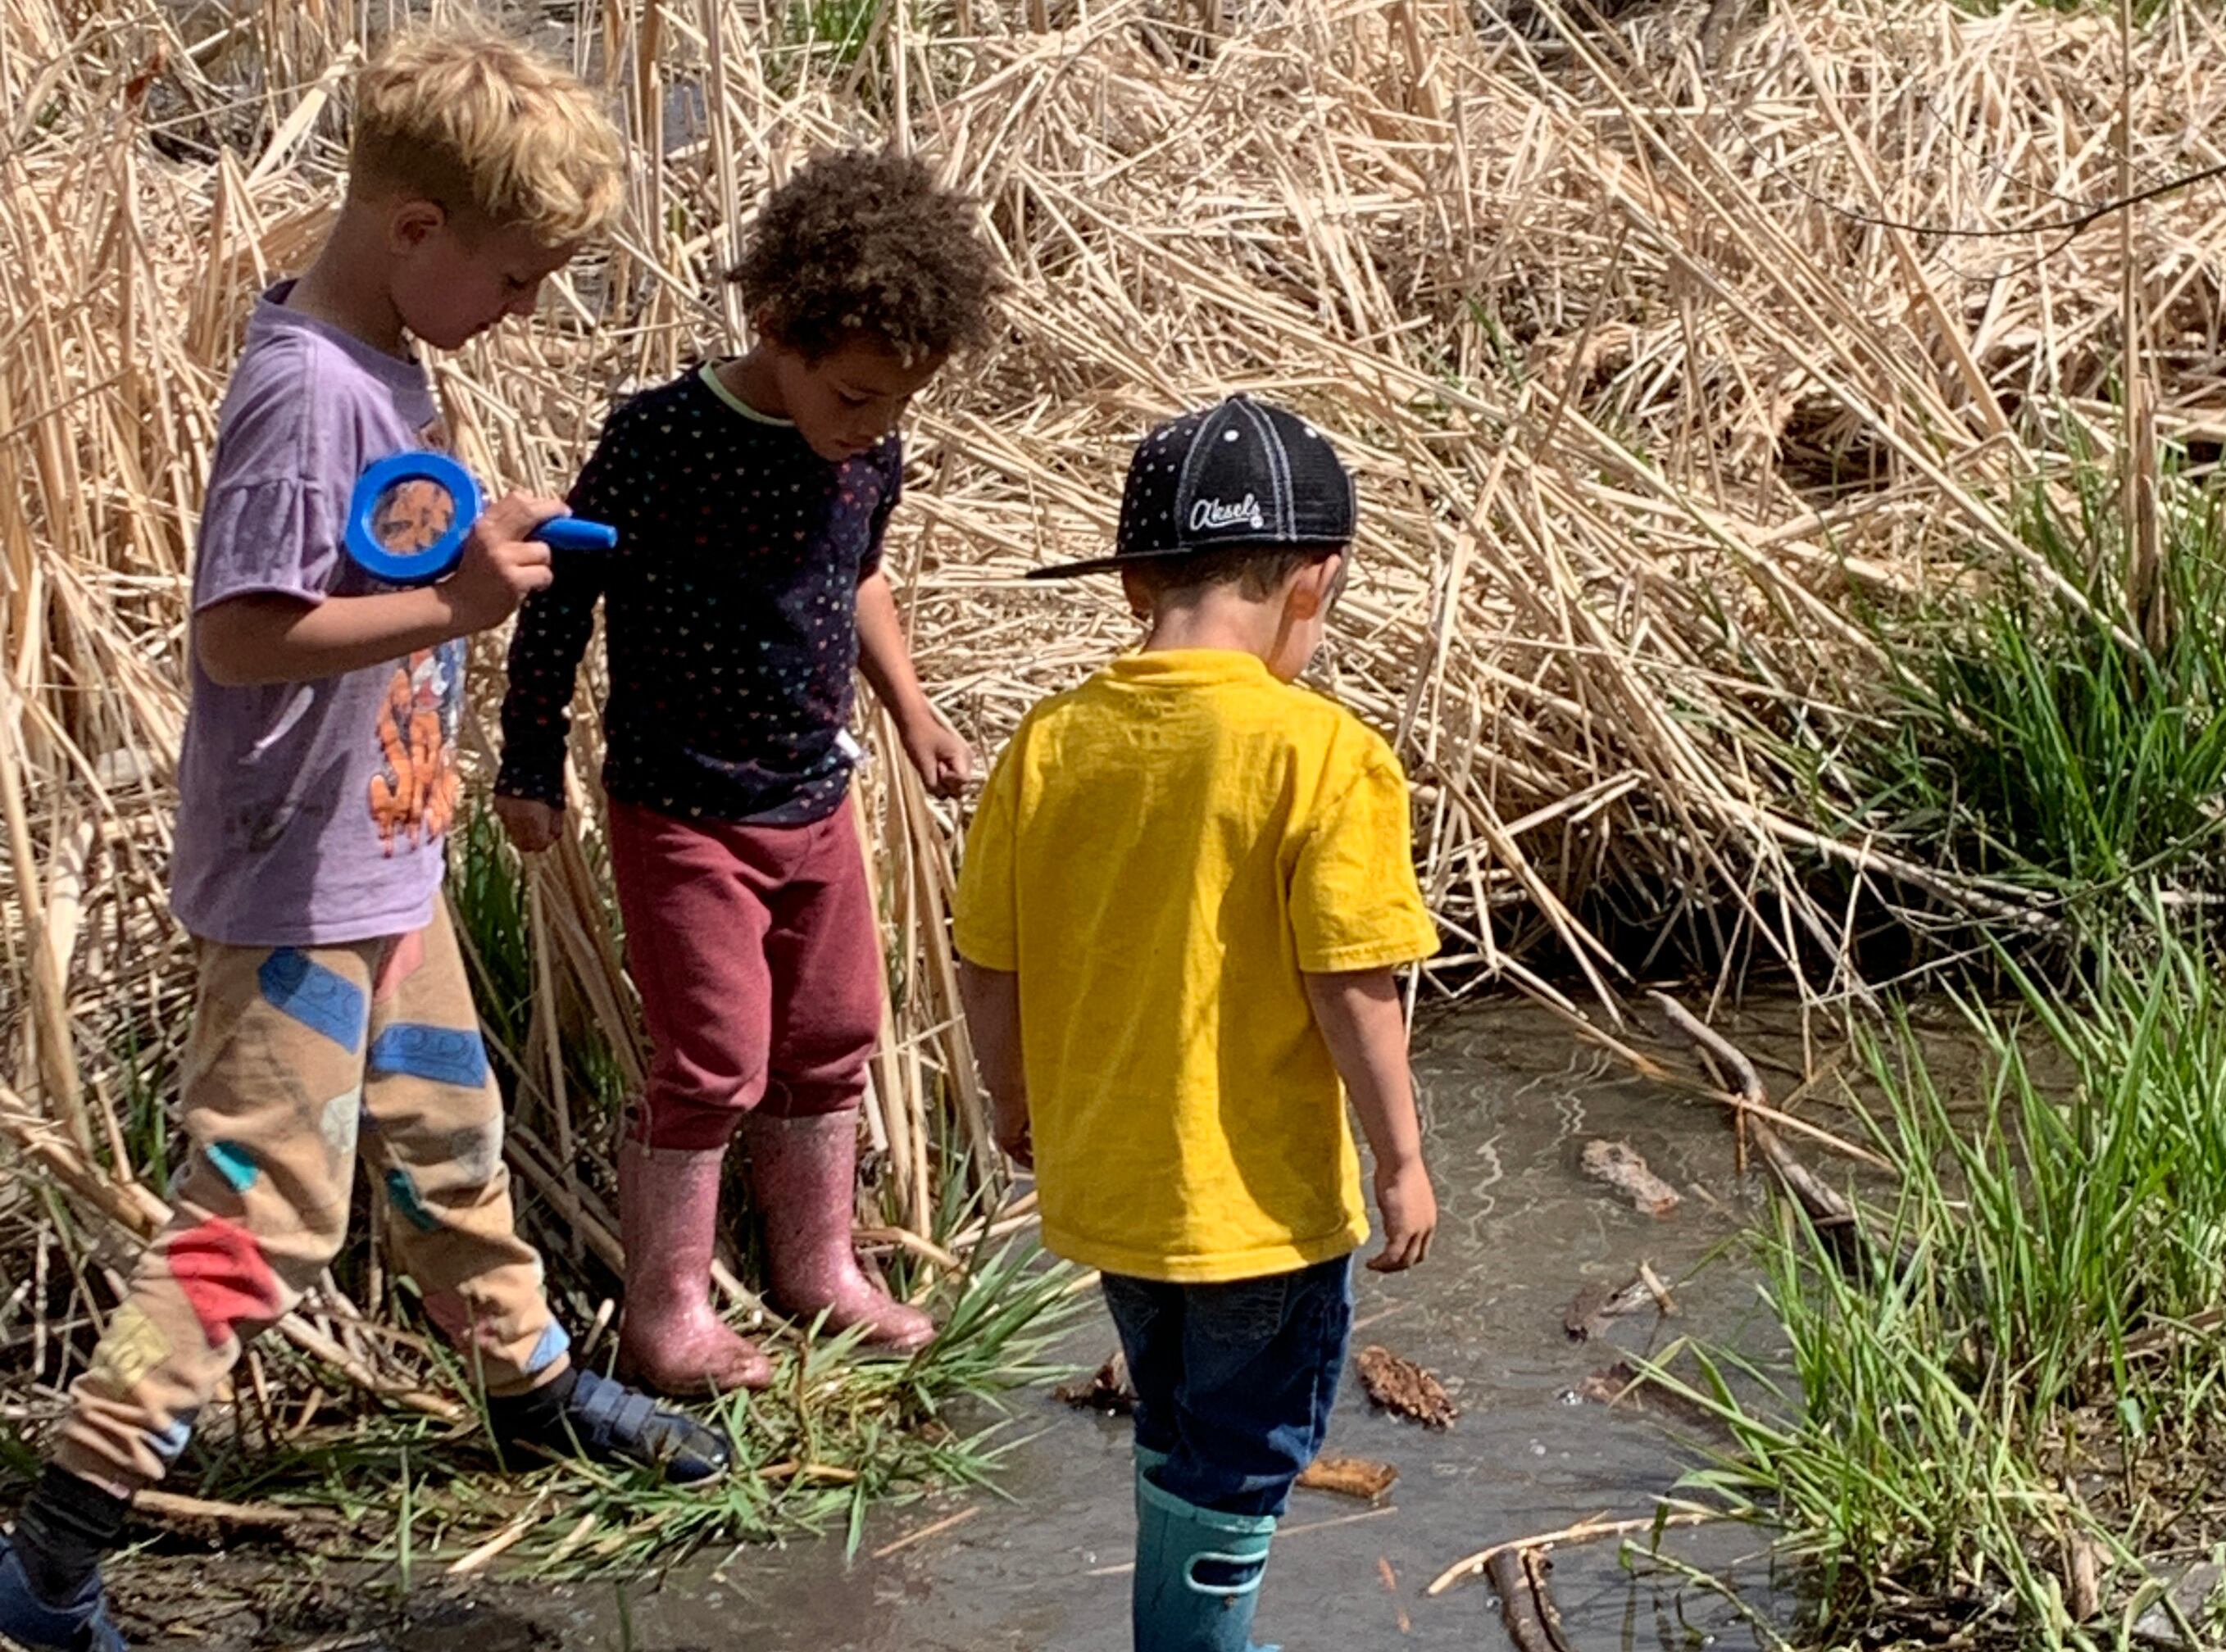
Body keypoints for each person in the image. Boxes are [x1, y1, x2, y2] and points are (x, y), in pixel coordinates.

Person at [0, 30, 732, 1652]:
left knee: (450, 1143)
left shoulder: (385, 359)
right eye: (519, 276)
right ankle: (58, 1549)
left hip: (380, 863)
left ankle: (531, 1385)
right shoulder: (306, 389)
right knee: (254, 1216)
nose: (527, 310)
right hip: (294, 895)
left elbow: (364, 562)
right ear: (413, 230)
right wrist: (462, 604)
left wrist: (483, 538)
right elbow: (247, 636)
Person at [493, 148, 1002, 1394]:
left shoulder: (866, 455)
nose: (870, 425)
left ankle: (815, 1268)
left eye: (896, 405)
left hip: (812, 795)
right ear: (774, 324)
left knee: (833, 1034)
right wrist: (531, 758)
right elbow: (566, 590)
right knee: (715, 1053)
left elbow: (860, 572)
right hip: (683, 807)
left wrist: (913, 708)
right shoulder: (663, 440)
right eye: (854, 394)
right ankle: (665, 1311)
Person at [952, 396, 1441, 1651]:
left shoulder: (1049, 745)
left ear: (1131, 583)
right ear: (1314, 582)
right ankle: (1191, 1645)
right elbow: (1352, 984)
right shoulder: (1323, 753)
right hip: (1259, 1205)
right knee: (1248, 1447)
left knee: (1176, 1423)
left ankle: (1189, 1632)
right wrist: (1401, 1161)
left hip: (1112, 1182)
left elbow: (989, 964)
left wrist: (1014, 1104)